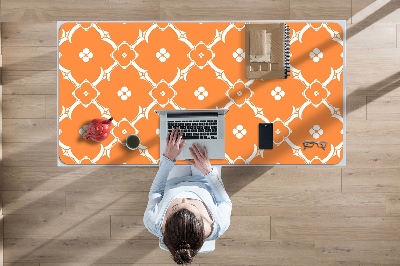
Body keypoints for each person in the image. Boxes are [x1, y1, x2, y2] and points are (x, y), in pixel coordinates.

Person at [144, 127, 232, 264]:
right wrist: (208, 171)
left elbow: (156, 192)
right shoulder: (219, 224)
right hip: (205, 180)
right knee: (207, 135)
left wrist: (168, 159)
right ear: (204, 222)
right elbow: (224, 202)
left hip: (174, 181)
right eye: (192, 205)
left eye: (176, 206)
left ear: (165, 224)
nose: (184, 198)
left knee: (174, 141)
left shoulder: (153, 222)